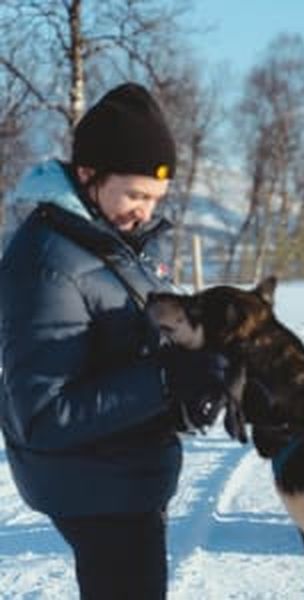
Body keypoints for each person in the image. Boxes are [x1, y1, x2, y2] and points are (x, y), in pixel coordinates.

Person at [0, 83, 230, 599]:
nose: (145, 211)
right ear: (88, 174)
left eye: (155, 199)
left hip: (122, 479)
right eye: (136, 194)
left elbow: (125, 350)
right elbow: (44, 414)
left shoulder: (107, 245)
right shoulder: (47, 264)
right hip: (97, 492)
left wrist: (189, 381)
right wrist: (167, 380)